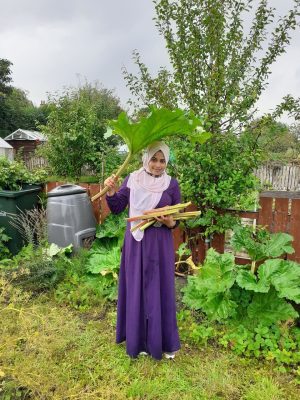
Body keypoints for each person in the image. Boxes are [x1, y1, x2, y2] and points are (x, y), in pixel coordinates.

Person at [104, 141, 181, 360]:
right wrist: (111, 191)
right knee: (136, 287)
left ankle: (163, 342)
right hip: (136, 242)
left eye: (162, 160)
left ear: (167, 161)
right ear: (146, 158)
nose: (158, 165)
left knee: (160, 289)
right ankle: (137, 342)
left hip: (160, 244)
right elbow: (118, 207)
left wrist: (169, 223)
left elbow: (177, 221)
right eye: (154, 159)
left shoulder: (171, 184)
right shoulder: (133, 179)